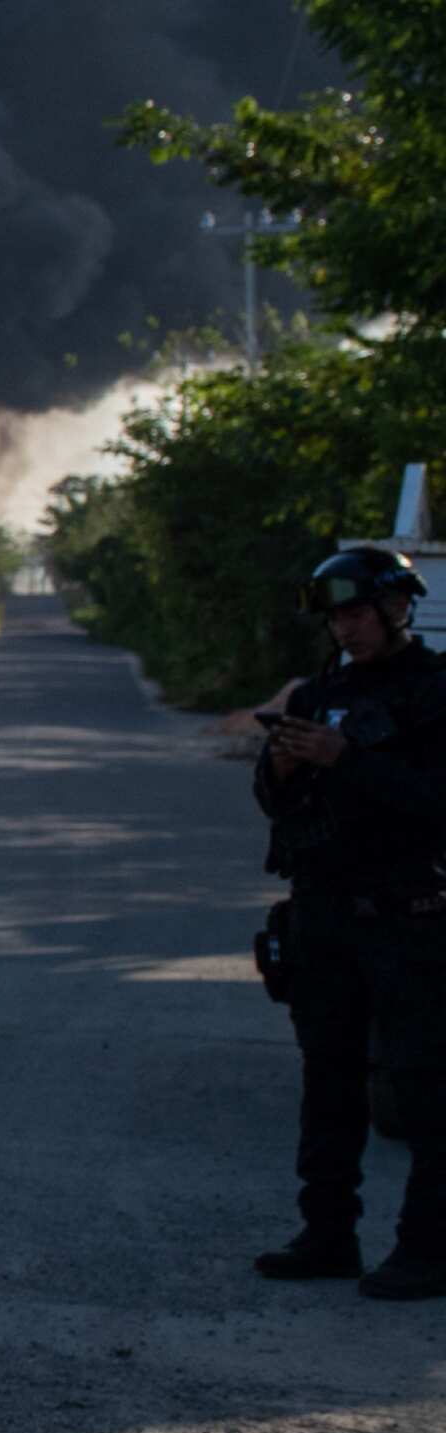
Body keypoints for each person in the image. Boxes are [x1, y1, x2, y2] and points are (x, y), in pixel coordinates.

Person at [255, 544, 446, 1296]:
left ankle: (427, 1250)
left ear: (399, 607)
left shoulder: (433, 695)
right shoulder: (315, 695)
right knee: (328, 1082)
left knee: (426, 1090)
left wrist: (347, 759)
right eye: (337, 614)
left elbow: (435, 801)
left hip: (409, 922)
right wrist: (287, 767)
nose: (347, 626)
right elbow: (274, 803)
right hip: (325, 918)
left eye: (360, 611)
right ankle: (327, 1234)